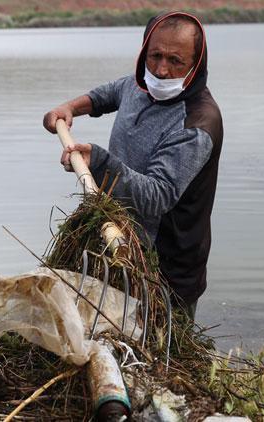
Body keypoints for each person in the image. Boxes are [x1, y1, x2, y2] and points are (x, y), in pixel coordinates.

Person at [43, 11, 223, 319]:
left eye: (176, 61)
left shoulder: (196, 124)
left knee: (162, 358)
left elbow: (157, 196)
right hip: (118, 242)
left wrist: (98, 161)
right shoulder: (141, 84)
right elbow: (108, 94)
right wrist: (71, 107)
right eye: (154, 56)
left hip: (165, 268)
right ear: (143, 53)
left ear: (196, 65)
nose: (162, 70)